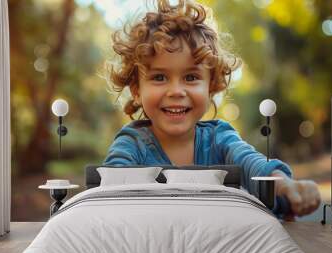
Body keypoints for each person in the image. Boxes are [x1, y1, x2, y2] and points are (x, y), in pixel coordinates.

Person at [103, 0, 320, 220]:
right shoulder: (131, 143)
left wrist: (283, 185)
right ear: (137, 90)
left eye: (191, 77)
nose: (176, 91)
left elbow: (249, 162)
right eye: (159, 77)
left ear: (211, 87)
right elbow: (110, 188)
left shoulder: (220, 138)